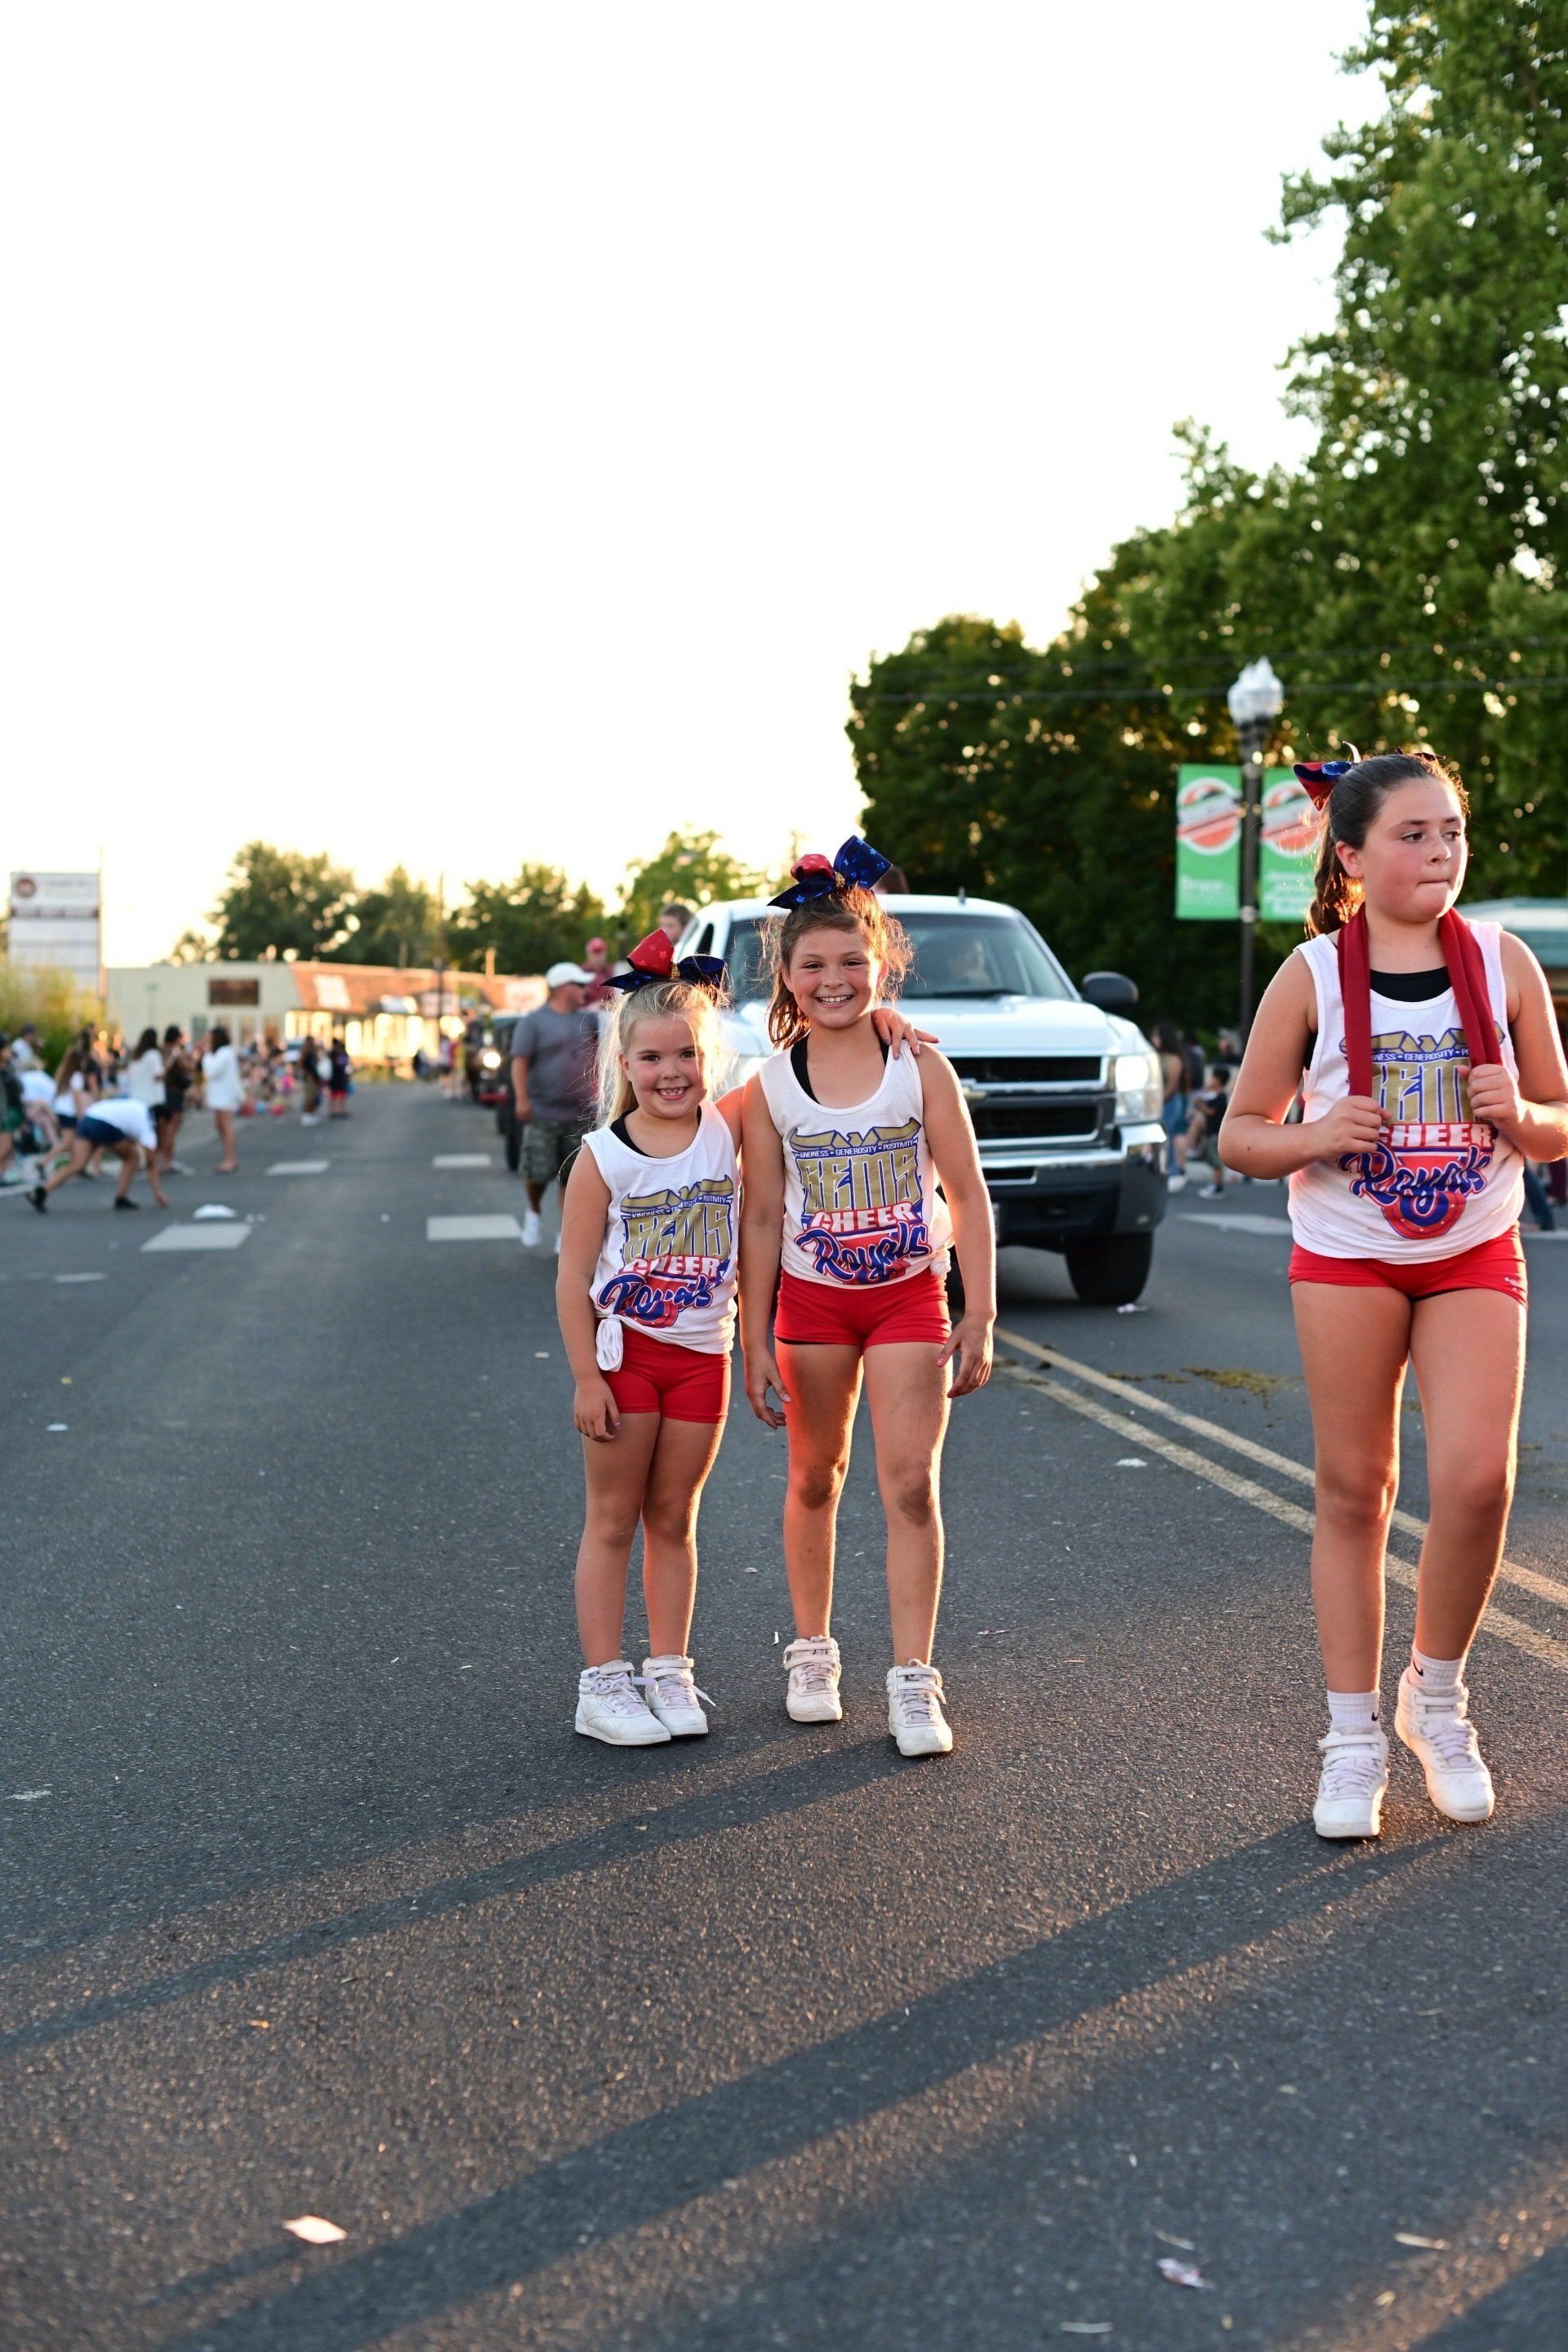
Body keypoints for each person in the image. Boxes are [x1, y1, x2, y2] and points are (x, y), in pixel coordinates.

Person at [1221, 747, 1568, 1841]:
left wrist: (1520, 1113)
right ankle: (1353, 1737)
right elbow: (1240, 1133)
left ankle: (1437, 1696)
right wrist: (1317, 1133)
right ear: (1355, 855)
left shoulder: (1504, 963)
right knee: (1356, 1489)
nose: (1439, 852)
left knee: (1473, 1483)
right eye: (1413, 835)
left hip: (1473, 1246)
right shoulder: (1314, 975)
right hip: (1349, 1252)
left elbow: (1564, 1120)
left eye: (1452, 831)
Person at [739, 838, 996, 1759]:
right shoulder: (772, 1084)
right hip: (811, 1306)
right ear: (789, 976)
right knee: (815, 1477)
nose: (835, 979)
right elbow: (763, 1215)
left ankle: (914, 1680)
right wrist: (754, 1337)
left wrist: (980, 1310)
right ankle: (813, 1653)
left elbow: (967, 1192)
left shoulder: (919, 1067)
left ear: (880, 964)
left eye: (853, 961)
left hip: (907, 1300)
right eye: (814, 965)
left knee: (909, 1487)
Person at [556, 935, 741, 1744]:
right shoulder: (602, 1158)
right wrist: (584, 1378)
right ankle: (602, 1685)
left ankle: (669, 1670)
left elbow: (819, 1065)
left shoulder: (730, 1132)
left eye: (689, 1054)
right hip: (625, 1362)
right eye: (654, 1057)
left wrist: (891, 1028)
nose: (673, 1072)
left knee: (675, 1517)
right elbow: (570, 1280)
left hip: (705, 1359)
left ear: (711, 1057)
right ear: (622, 1064)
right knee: (613, 1517)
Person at [510, 963, 598, 1250]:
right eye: (579, 985)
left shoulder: (590, 1019)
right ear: (563, 987)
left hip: (581, 1113)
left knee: (572, 1177)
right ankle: (534, 1211)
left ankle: (565, 1233)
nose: (585, 990)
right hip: (544, 1111)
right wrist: (522, 1099)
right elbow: (520, 1060)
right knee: (537, 1172)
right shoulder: (534, 1021)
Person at [29, 1091, 169, 1211]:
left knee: (77, 1164)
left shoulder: (140, 1107)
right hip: (105, 1124)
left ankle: (42, 1192)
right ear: (162, 1120)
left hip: (89, 1118)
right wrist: (158, 1192)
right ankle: (121, 1197)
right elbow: (151, 1163)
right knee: (133, 1158)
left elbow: (127, 1130)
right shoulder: (148, 1125)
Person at [1186, 1062, 1232, 1198]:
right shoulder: (1212, 1096)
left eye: (1212, 1078)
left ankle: (1218, 1187)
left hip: (1215, 1134)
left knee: (1215, 1161)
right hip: (1211, 1133)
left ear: (1218, 1080)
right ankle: (1215, 1185)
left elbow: (1211, 1112)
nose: (1210, 1080)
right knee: (1213, 1161)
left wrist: (1199, 1104)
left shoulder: (1221, 1097)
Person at [201, 1026, 243, 1171]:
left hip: (224, 1096)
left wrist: (206, 1054)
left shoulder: (224, 1053)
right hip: (220, 1096)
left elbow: (212, 1072)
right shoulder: (222, 1053)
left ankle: (230, 1159)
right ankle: (229, 1157)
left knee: (225, 1126)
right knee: (220, 1126)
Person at [1155, 1020, 1189, 1189]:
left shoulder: (1174, 1059)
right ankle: (1168, 1171)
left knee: (1168, 1137)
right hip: (1163, 1101)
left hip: (1169, 1102)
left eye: (1156, 1035)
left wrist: (1158, 1101)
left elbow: (1172, 1086)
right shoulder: (1161, 1057)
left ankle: (1174, 1171)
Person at [157, 1027, 192, 1172]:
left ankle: (159, 1160)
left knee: (162, 1129)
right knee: (171, 1129)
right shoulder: (176, 1053)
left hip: (162, 1093)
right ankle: (168, 1161)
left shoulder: (160, 1051)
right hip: (175, 1093)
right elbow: (188, 1067)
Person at [581, 937, 616, 1006]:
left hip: (607, 1012)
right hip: (584, 1014)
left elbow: (617, 998)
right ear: (588, 954)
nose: (597, 957)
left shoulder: (612, 971)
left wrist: (601, 1005)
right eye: (594, 953)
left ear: (605, 953)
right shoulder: (581, 973)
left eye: (600, 952)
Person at [327, 1033, 353, 1116]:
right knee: (335, 1095)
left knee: (341, 1094)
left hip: (340, 1077)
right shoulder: (332, 1054)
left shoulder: (340, 1053)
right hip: (335, 1077)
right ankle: (335, 1111)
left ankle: (339, 1110)